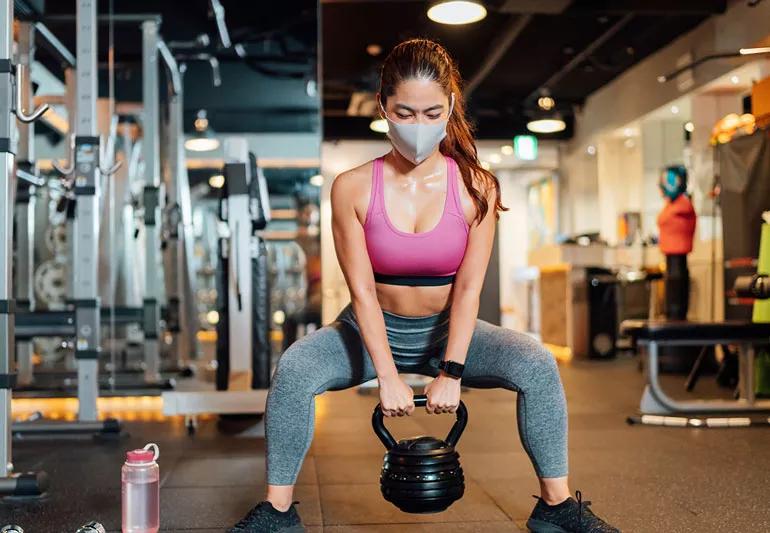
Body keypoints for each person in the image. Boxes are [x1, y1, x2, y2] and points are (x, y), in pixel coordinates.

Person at [228, 39, 620, 533]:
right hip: (371, 333)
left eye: (432, 112)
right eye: (405, 113)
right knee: (296, 367)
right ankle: (278, 513)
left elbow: (470, 290)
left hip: (448, 331)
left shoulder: (477, 187)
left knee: (536, 363)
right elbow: (363, 292)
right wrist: (387, 376)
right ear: (384, 109)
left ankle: (556, 506)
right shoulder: (351, 187)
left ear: (451, 106)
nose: (418, 126)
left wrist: (451, 370)